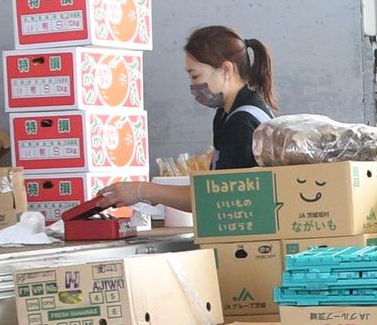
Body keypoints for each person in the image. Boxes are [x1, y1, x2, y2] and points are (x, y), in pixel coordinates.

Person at [85, 24, 278, 213]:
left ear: (227, 70)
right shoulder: (225, 114)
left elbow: (219, 199)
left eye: (195, 76)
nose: (193, 86)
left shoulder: (242, 122)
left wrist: (142, 191)